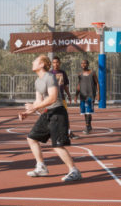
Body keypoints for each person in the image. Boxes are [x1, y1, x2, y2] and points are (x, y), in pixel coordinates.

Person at [19, 54, 82, 182]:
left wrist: (34, 107)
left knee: (57, 145)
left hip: (58, 112)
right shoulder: (37, 81)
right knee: (32, 138)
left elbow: (52, 98)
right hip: (48, 113)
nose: (32, 62)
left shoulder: (50, 77)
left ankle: (74, 171)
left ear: (42, 64)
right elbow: (38, 101)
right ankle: (41, 167)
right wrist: (28, 112)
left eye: (35, 61)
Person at [50, 56, 78, 139]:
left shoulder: (63, 73)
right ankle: (53, 133)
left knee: (65, 116)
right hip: (52, 99)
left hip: (61, 98)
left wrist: (69, 94)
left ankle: (69, 132)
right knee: (53, 116)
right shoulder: (50, 74)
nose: (56, 64)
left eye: (57, 62)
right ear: (52, 63)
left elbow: (65, 85)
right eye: (54, 62)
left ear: (60, 63)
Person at [75, 59, 100, 134]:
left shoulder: (92, 73)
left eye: (85, 63)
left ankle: (87, 126)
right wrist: (76, 95)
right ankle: (89, 125)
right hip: (83, 95)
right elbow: (79, 85)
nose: (83, 65)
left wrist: (98, 93)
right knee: (85, 112)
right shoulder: (80, 74)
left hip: (90, 95)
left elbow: (97, 83)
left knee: (89, 111)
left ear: (88, 64)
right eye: (82, 63)